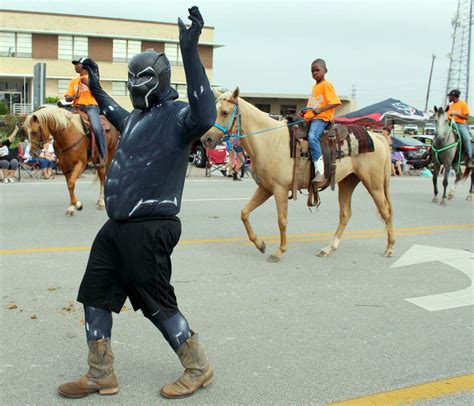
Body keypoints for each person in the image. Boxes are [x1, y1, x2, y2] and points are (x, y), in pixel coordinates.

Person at [57, 7, 216, 400]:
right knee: (94, 294)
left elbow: (206, 110)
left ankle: (198, 367)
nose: (134, 85)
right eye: (130, 78)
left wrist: (190, 50)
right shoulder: (139, 119)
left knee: (156, 302)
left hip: (151, 226)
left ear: (160, 80)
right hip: (117, 227)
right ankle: (100, 374)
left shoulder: (179, 117)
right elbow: (114, 113)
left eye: (142, 78)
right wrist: (95, 84)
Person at [301, 58, 341, 184]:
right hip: (312, 118)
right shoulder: (315, 86)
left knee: (312, 137)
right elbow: (313, 105)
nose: (314, 73)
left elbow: (335, 102)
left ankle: (320, 171)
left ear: (325, 70)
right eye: (312, 71)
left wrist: (320, 110)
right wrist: (305, 113)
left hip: (322, 118)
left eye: (317, 70)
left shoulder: (326, 84)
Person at [64, 57, 107, 165]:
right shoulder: (73, 81)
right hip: (76, 107)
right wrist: (74, 96)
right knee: (62, 125)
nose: (75, 66)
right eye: (74, 64)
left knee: (97, 128)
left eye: (77, 64)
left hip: (91, 107)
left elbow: (99, 92)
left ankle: (103, 155)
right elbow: (67, 98)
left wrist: (89, 83)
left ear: (84, 65)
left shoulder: (94, 78)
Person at [446, 89, 473, 168]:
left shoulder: (463, 104)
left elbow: (466, 117)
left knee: (467, 138)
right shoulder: (450, 106)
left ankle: (470, 158)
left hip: (460, 124)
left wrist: (457, 114)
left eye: (450, 96)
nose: (449, 98)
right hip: (450, 123)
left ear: (454, 96)